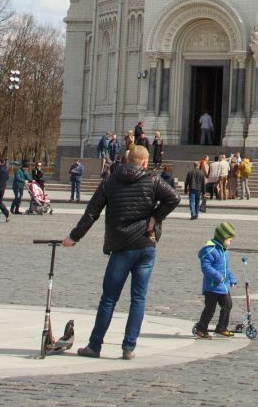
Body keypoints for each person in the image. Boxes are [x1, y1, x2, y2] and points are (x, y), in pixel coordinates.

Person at [63, 143, 180, 359]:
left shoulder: (110, 180)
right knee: (138, 298)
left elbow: (92, 212)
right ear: (144, 162)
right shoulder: (152, 179)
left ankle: (95, 346)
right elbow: (174, 197)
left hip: (121, 247)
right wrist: (156, 216)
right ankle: (128, 348)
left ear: (127, 160)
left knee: (108, 298)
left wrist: (74, 237)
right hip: (145, 246)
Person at [190, 221, 240, 339]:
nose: (230, 242)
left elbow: (226, 268)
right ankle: (201, 328)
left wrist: (231, 279)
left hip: (223, 286)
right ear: (222, 238)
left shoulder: (224, 251)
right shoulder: (210, 250)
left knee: (227, 305)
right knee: (210, 309)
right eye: (229, 239)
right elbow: (206, 267)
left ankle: (221, 327)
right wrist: (217, 276)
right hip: (212, 287)